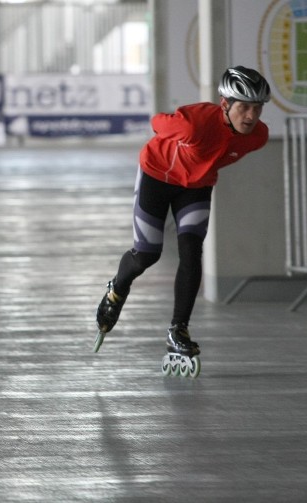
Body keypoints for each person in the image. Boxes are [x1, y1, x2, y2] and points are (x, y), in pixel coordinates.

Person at [93, 66, 271, 376]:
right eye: (243, 106)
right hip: (158, 175)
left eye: (257, 108)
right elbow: (156, 122)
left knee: (191, 250)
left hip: (196, 185)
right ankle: (117, 288)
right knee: (147, 254)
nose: (251, 115)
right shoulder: (195, 123)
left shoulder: (258, 137)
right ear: (224, 104)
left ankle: (179, 330)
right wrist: (176, 136)